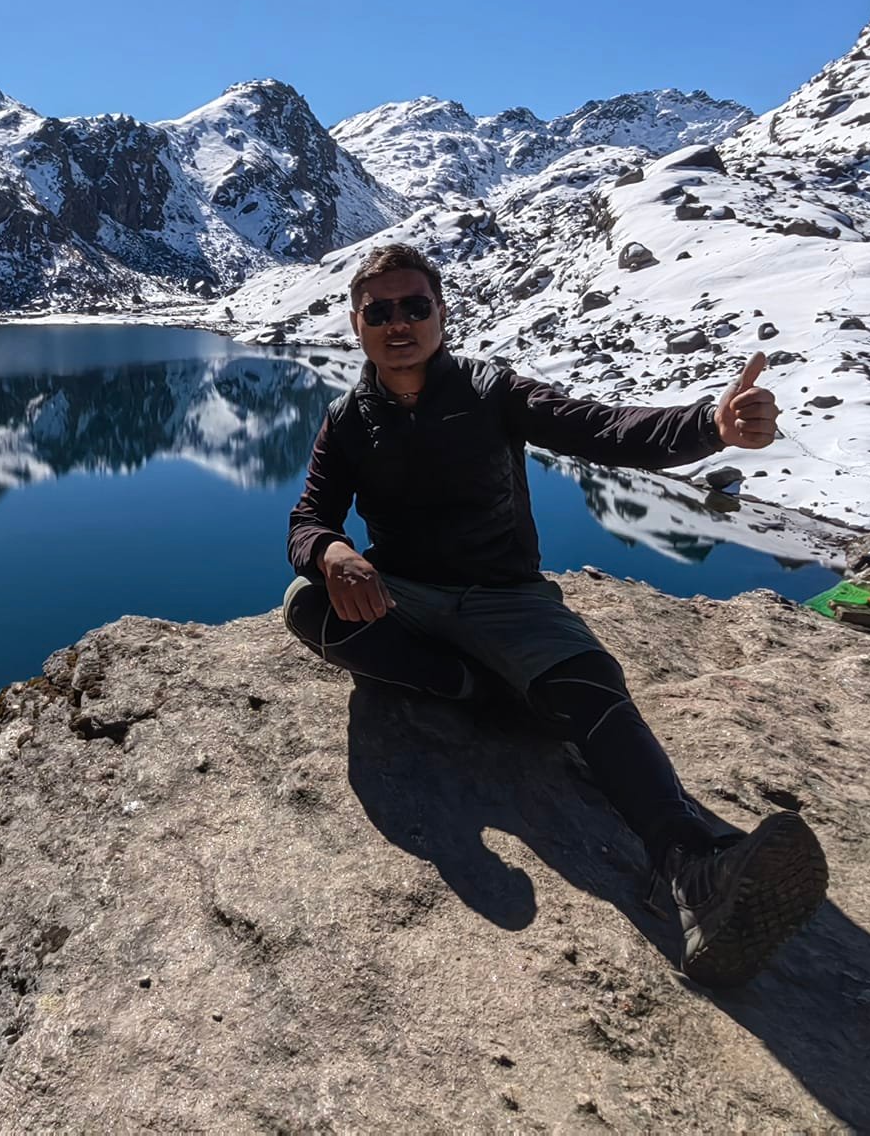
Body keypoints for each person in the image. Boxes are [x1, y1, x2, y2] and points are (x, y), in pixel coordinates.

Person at [284, 242, 827, 987]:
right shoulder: (349, 420)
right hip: (407, 594)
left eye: (416, 306)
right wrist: (333, 555)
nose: (399, 323)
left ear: (442, 314)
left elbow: (602, 429)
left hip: (505, 596)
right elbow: (309, 514)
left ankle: (692, 864)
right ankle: (476, 690)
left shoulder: (489, 391)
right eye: (381, 312)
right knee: (308, 608)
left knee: (588, 684)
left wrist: (712, 425)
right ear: (357, 325)